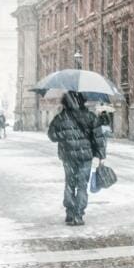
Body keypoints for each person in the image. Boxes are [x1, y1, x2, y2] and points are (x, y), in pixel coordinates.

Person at [47, 92, 106, 226]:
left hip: (68, 156)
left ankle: (69, 213)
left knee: (69, 184)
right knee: (82, 186)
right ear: (83, 101)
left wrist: (64, 135)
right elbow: (98, 137)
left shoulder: (61, 117)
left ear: (65, 102)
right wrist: (101, 155)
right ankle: (78, 215)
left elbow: (52, 135)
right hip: (85, 157)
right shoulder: (90, 116)